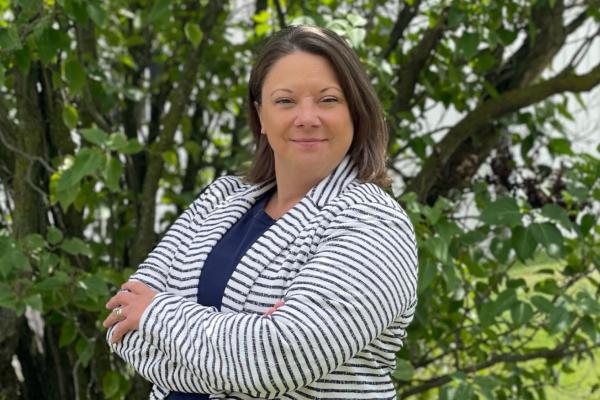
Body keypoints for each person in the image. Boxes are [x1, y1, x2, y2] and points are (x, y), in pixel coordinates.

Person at [103, 25, 418, 400]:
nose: (306, 117)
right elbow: (123, 321)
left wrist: (156, 315)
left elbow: (278, 360)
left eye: (328, 100)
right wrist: (245, 349)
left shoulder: (374, 223)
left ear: (355, 110)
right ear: (261, 115)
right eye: (285, 101)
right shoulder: (220, 198)